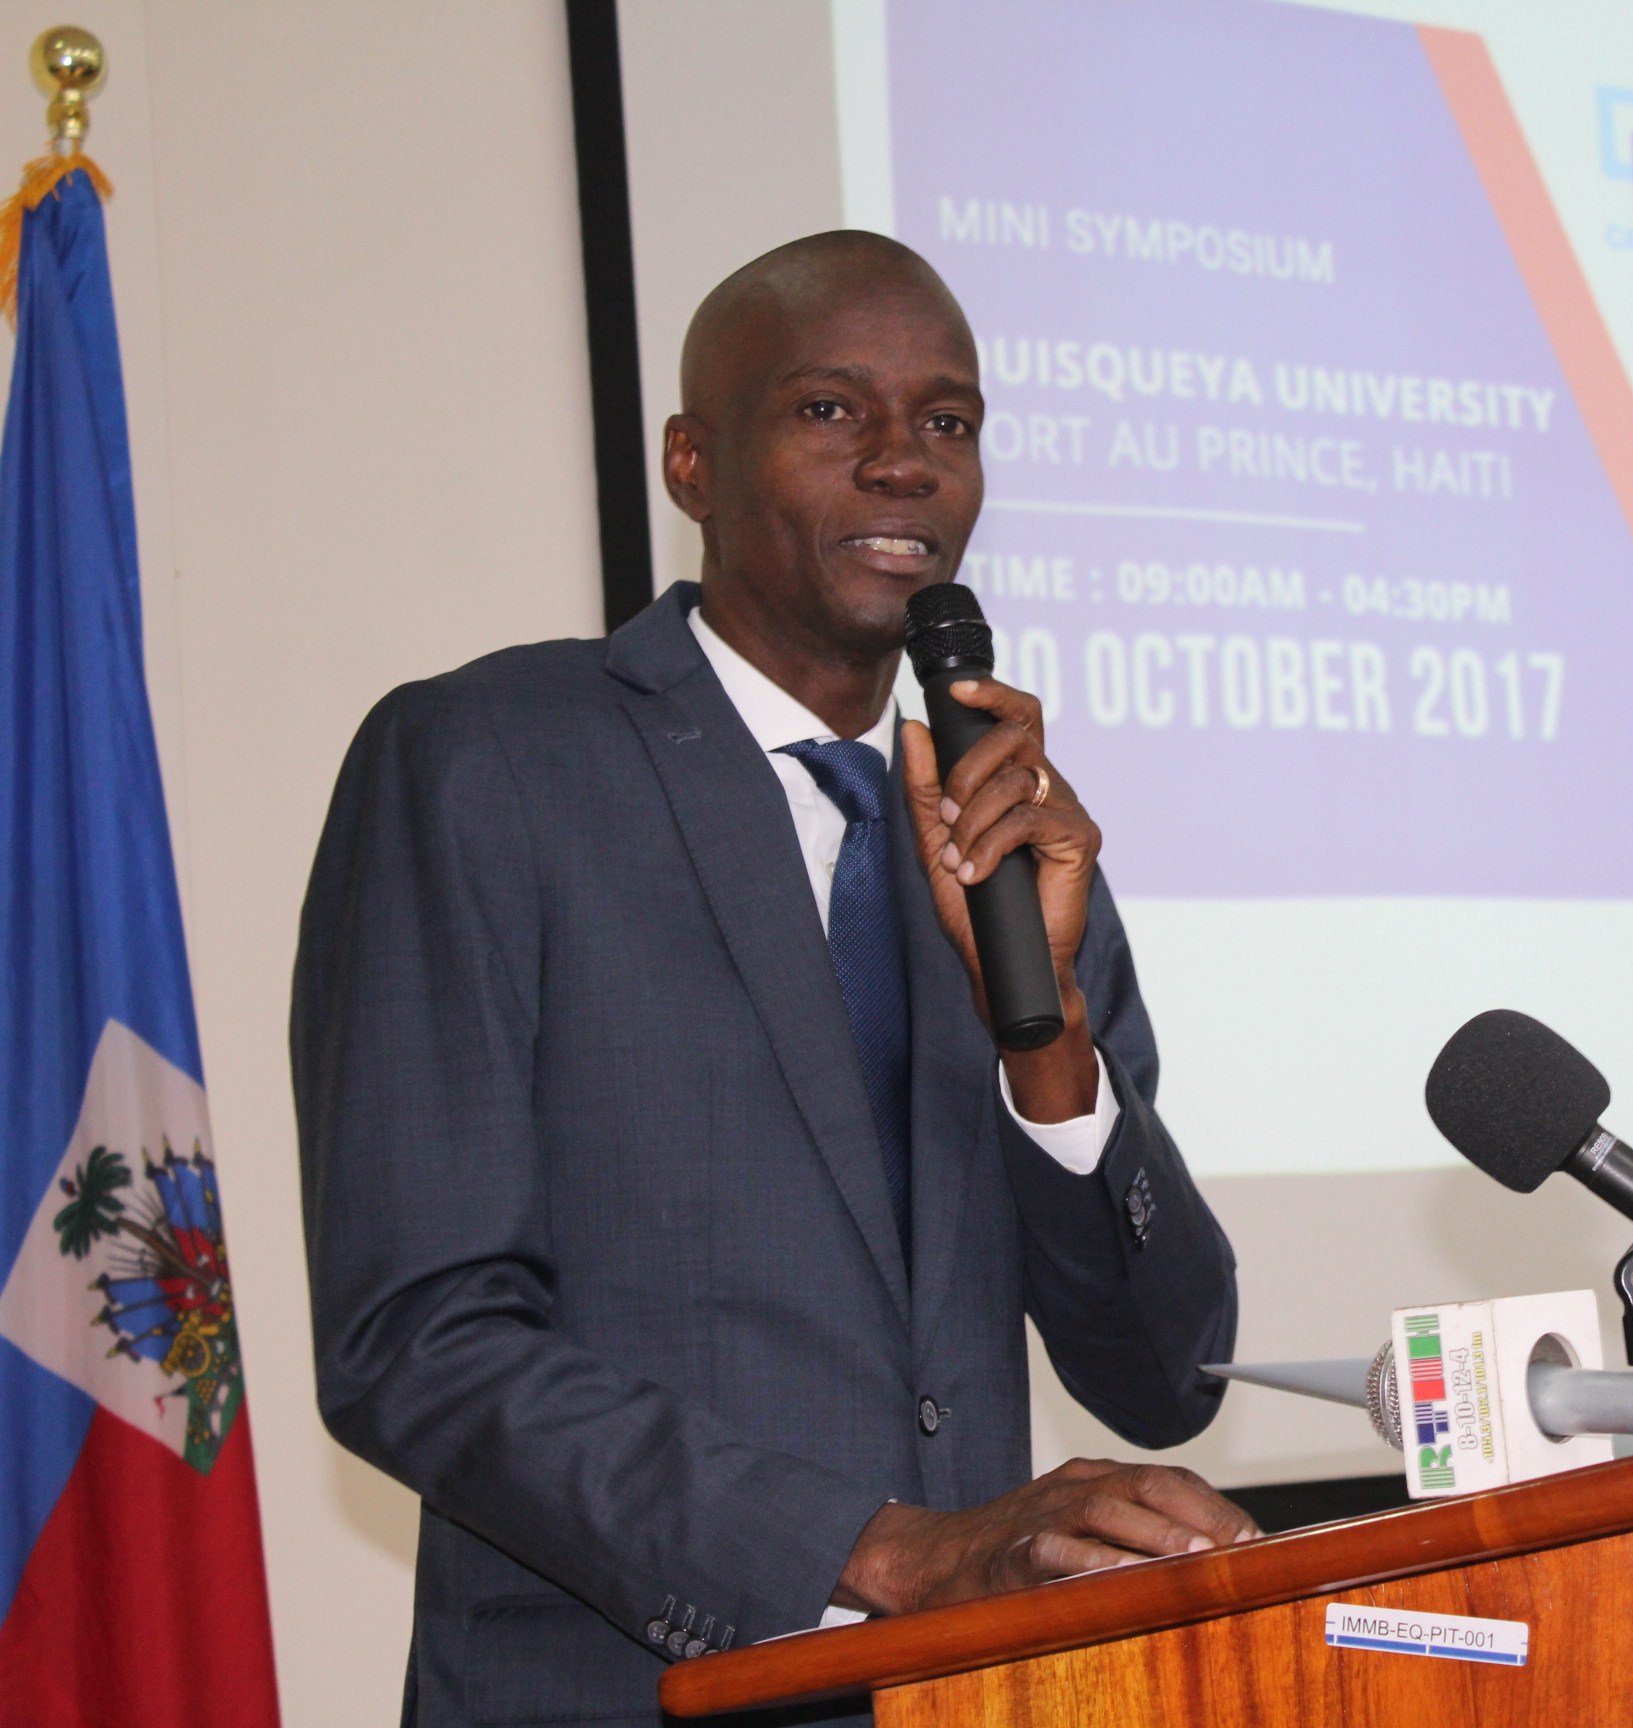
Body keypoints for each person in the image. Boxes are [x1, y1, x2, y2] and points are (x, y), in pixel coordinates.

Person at [292, 231, 1256, 1728]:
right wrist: (889, 1554)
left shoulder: (1006, 838)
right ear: (692, 464)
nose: (904, 462)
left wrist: (1053, 1049)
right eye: (828, 410)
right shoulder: (488, 763)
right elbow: (415, 1343)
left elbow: (1165, 1373)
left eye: (948, 422)